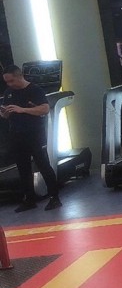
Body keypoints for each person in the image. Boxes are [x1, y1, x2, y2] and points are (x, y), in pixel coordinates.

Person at [0, 64, 62, 212]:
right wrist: (5, 113)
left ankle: (54, 197)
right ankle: (29, 199)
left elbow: (44, 109)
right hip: (16, 134)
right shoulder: (9, 92)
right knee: (23, 168)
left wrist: (22, 110)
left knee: (43, 164)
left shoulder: (35, 90)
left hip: (34, 134)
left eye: (11, 81)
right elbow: (5, 113)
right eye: (7, 82)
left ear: (19, 76)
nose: (9, 84)